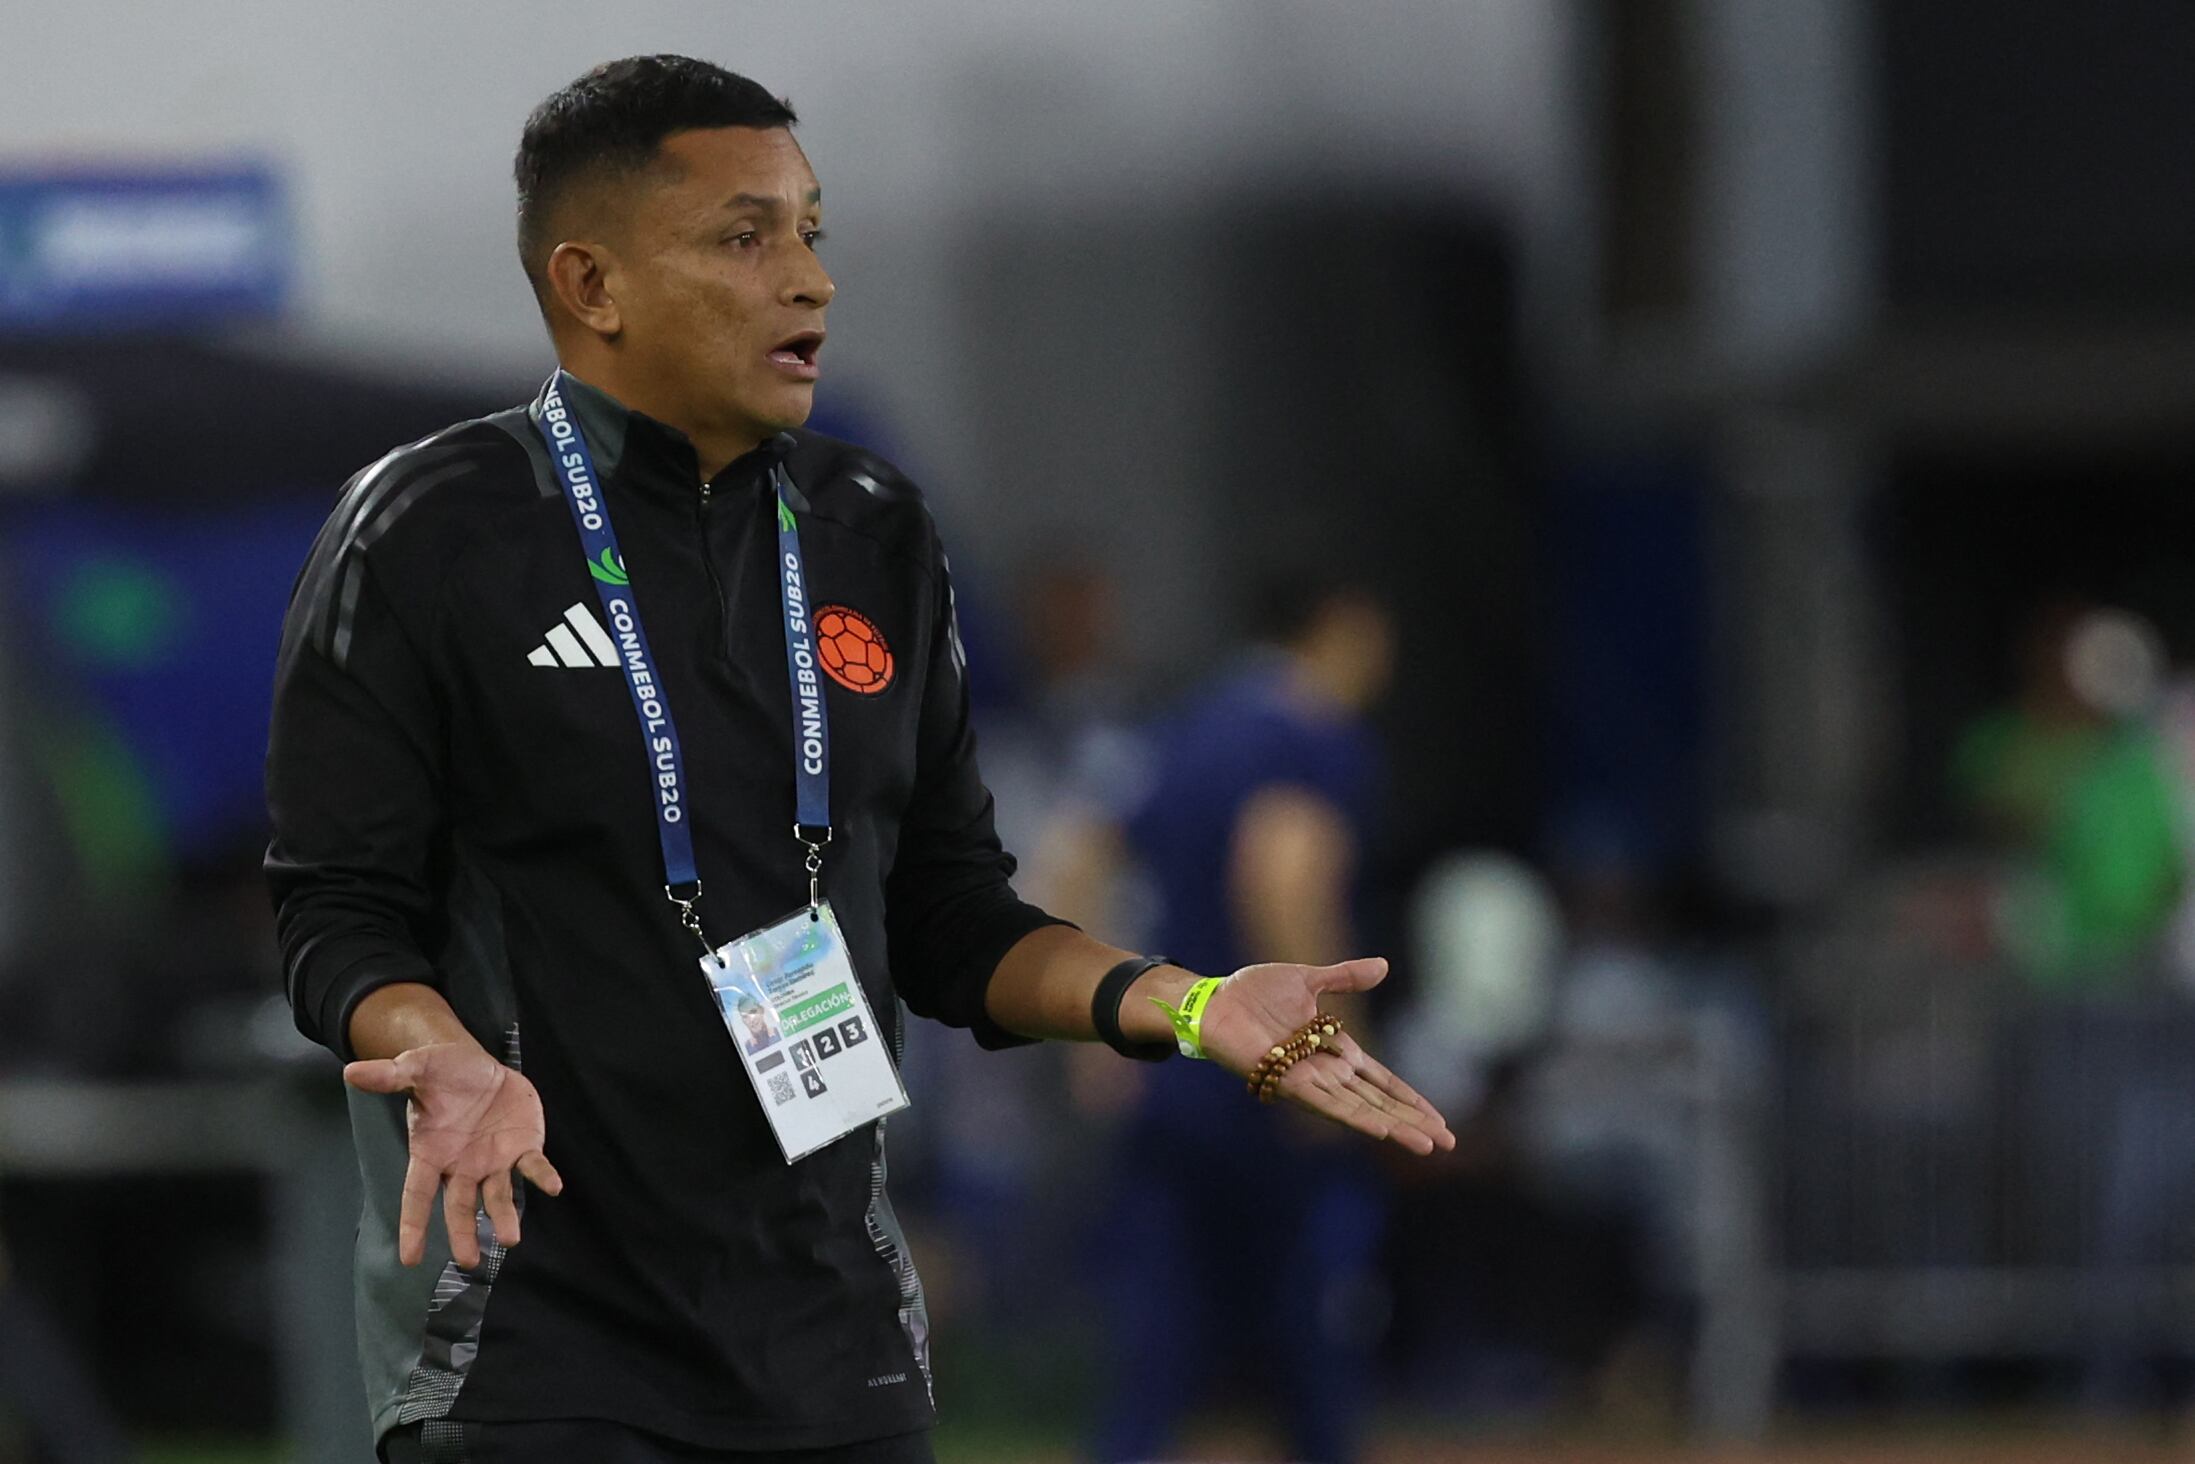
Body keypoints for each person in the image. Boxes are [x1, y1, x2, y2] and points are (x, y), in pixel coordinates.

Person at [263, 55, 1452, 1464]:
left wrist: (1183, 1007)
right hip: (535, 1351)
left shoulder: (871, 530)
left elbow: (953, 919)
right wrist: (442, 1053)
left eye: (811, 231)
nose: (809, 280)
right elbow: (336, 912)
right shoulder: (430, 527)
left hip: (832, 1356)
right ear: (591, 287)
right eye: (743, 237)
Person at [1085, 575, 1397, 1464]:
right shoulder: (1308, 735)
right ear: (1343, 624)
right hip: (1260, 1078)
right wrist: (1323, 1050)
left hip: (1173, 1061)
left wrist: (1102, 1024)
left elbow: (1083, 851)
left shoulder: (1189, 727)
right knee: (1315, 1344)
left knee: (1156, 1352)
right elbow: (1281, 868)